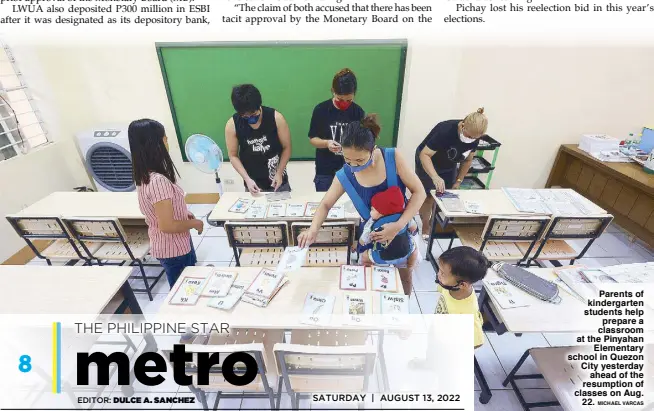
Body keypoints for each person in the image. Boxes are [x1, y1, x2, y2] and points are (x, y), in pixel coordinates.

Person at [297, 114, 426, 296]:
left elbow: (419, 192)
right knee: (372, 286)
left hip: (402, 231)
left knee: (404, 277)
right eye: (348, 160)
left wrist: (397, 226)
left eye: (359, 160)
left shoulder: (392, 157)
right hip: (374, 236)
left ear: (372, 150)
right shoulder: (345, 175)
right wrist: (312, 229)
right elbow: (325, 204)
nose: (353, 165)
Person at [128, 119, 204, 288]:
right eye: (165, 138)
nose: (167, 142)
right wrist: (195, 223)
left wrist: (183, 214)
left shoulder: (144, 176)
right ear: (155, 145)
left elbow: (160, 212)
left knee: (185, 285)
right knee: (183, 289)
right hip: (173, 248)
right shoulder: (158, 181)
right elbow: (167, 225)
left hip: (169, 245)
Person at [410, 246, 489, 368]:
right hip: (439, 329)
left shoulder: (466, 313)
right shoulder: (450, 286)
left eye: (442, 273)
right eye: (440, 270)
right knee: (432, 349)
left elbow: (476, 342)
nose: (438, 274)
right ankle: (429, 363)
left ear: (462, 284)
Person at [415, 108, 488, 239]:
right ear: (463, 125)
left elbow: (468, 160)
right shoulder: (445, 130)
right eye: (469, 136)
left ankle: (434, 224)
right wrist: (435, 176)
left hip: (449, 163)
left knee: (443, 195)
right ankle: (426, 226)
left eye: (474, 138)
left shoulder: (475, 137)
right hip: (428, 160)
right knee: (429, 195)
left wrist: (458, 181)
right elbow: (424, 154)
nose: (470, 139)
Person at [225, 84, 292, 194]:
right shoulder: (232, 125)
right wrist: (247, 179)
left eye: (254, 114)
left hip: (279, 182)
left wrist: (279, 173)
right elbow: (233, 155)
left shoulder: (276, 118)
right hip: (253, 184)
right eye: (246, 117)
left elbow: (287, 147)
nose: (251, 119)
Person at [309, 68, 365, 191]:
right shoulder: (321, 110)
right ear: (333, 91)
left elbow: (362, 142)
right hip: (325, 172)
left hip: (351, 171)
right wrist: (327, 143)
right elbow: (313, 139)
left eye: (349, 100)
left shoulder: (358, 112)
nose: (344, 103)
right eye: (340, 99)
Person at [358, 186, 418, 264]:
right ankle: (410, 266)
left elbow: (363, 241)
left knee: (364, 256)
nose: (370, 211)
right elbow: (414, 228)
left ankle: (368, 269)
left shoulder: (372, 224)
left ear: (381, 212)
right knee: (414, 248)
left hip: (382, 258)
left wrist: (360, 242)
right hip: (405, 253)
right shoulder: (404, 217)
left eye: (372, 209)